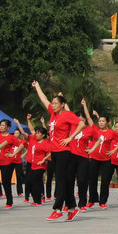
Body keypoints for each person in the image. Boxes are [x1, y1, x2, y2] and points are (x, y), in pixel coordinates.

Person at [31, 81, 85, 222]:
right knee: (66, 180)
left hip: (64, 152)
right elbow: (43, 99)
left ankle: (57, 209)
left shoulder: (67, 114)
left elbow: (81, 123)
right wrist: (37, 86)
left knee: (60, 180)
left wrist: (70, 138)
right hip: (54, 151)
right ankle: (72, 208)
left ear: (62, 104)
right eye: (53, 103)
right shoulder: (52, 114)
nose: (53, 105)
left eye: (56, 103)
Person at [69, 99, 97, 212]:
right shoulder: (71, 127)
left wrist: (92, 148)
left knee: (82, 180)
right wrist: (64, 102)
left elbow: (99, 139)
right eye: (78, 117)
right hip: (71, 156)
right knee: (69, 180)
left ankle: (82, 203)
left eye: (82, 118)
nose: (80, 119)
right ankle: (69, 203)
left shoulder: (89, 130)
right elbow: (67, 112)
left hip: (83, 158)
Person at [86, 114, 118, 210]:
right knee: (92, 180)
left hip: (106, 160)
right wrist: (84, 105)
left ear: (107, 122)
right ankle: (92, 200)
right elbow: (88, 118)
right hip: (94, 158)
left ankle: (103, 202)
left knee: (105, 181)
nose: (100, 123)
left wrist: (113, 150)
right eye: (99, 121)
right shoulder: (95, 130)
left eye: (103, 121)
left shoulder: (112, 132)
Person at [0, 119, 18, 209]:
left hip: (6, 162)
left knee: (6, 182)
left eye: (3, 125)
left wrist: (13, 154)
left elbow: (22, 144)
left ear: (8, 127)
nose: (1, 127)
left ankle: (9, 201)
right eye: (0, 125)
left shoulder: (11, 137)